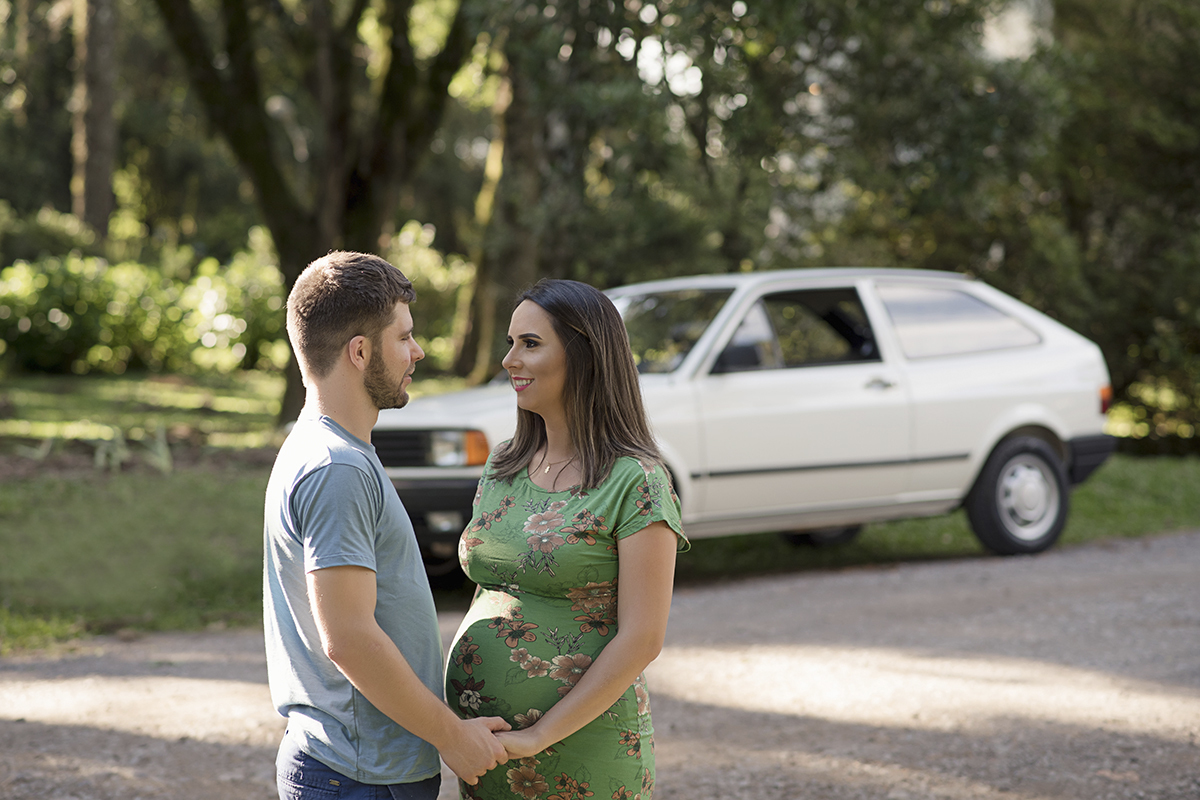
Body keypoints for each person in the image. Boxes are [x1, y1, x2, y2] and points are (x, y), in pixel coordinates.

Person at [263, 251, 510, 800]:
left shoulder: (327, 448)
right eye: (405, 337)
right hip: (359, 775)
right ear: (359, 352)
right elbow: (348, 638)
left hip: (361, 768)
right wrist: (454, 737)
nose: (417, 352)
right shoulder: (338, 468)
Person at [444, 279, 688, 800]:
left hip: (582, 747)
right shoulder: (503, 463)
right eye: (510, 343)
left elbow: (643, 638)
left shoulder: (636, 482)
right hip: (486, 752)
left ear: (584, 355)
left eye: (530, 344)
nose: (510, 360)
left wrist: (539, 736)